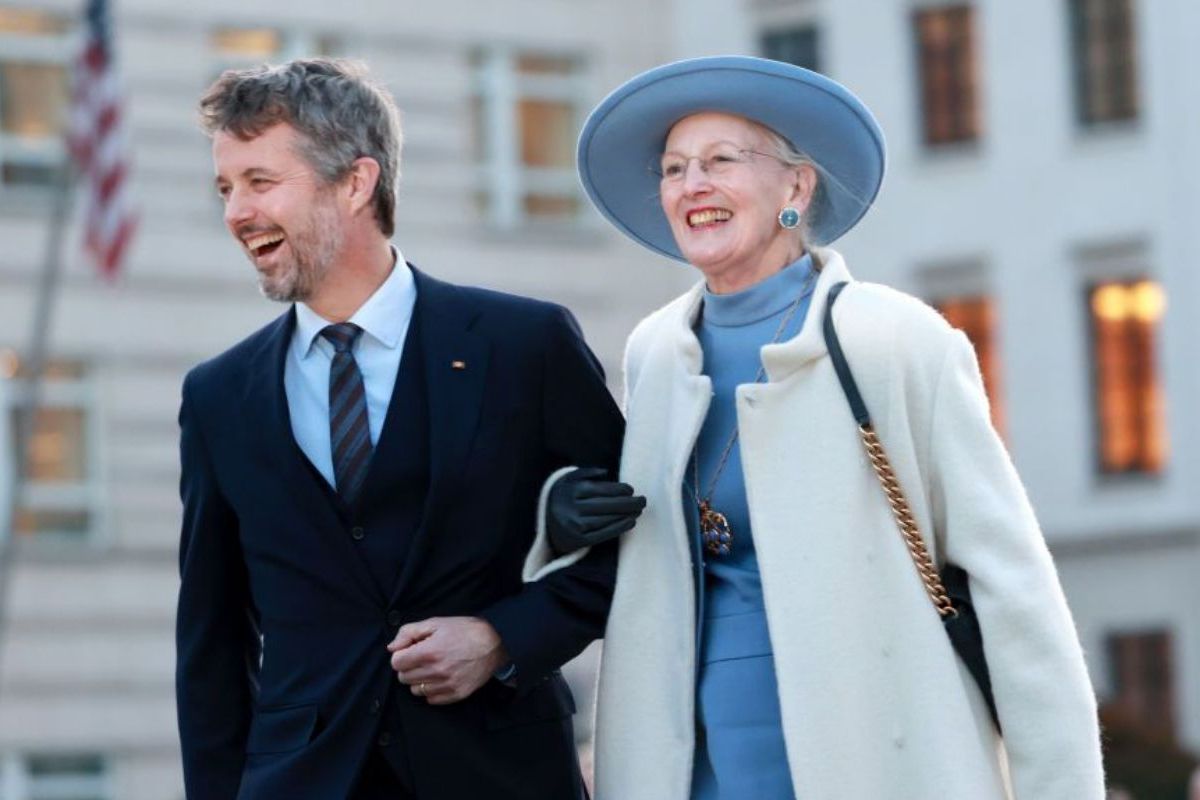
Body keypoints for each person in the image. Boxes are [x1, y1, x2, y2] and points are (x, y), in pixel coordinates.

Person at [532, 56, 1106, 799]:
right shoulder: (655, 354)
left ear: (795, 186)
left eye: (720, 161)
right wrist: (563, 515)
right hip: (687, 761)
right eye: (673, 169)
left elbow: (1014, 592)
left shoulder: (894, 339)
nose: (690, 185)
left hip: (872, 755)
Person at [175, 58, 642, 800]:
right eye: (226, 188)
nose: (235, 212)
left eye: (261, 182)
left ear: (356, 183)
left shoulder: (526, 345)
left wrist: (503, 639)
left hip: (500, 775)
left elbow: (640, 546)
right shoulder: (217, 396)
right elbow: (212, 643)